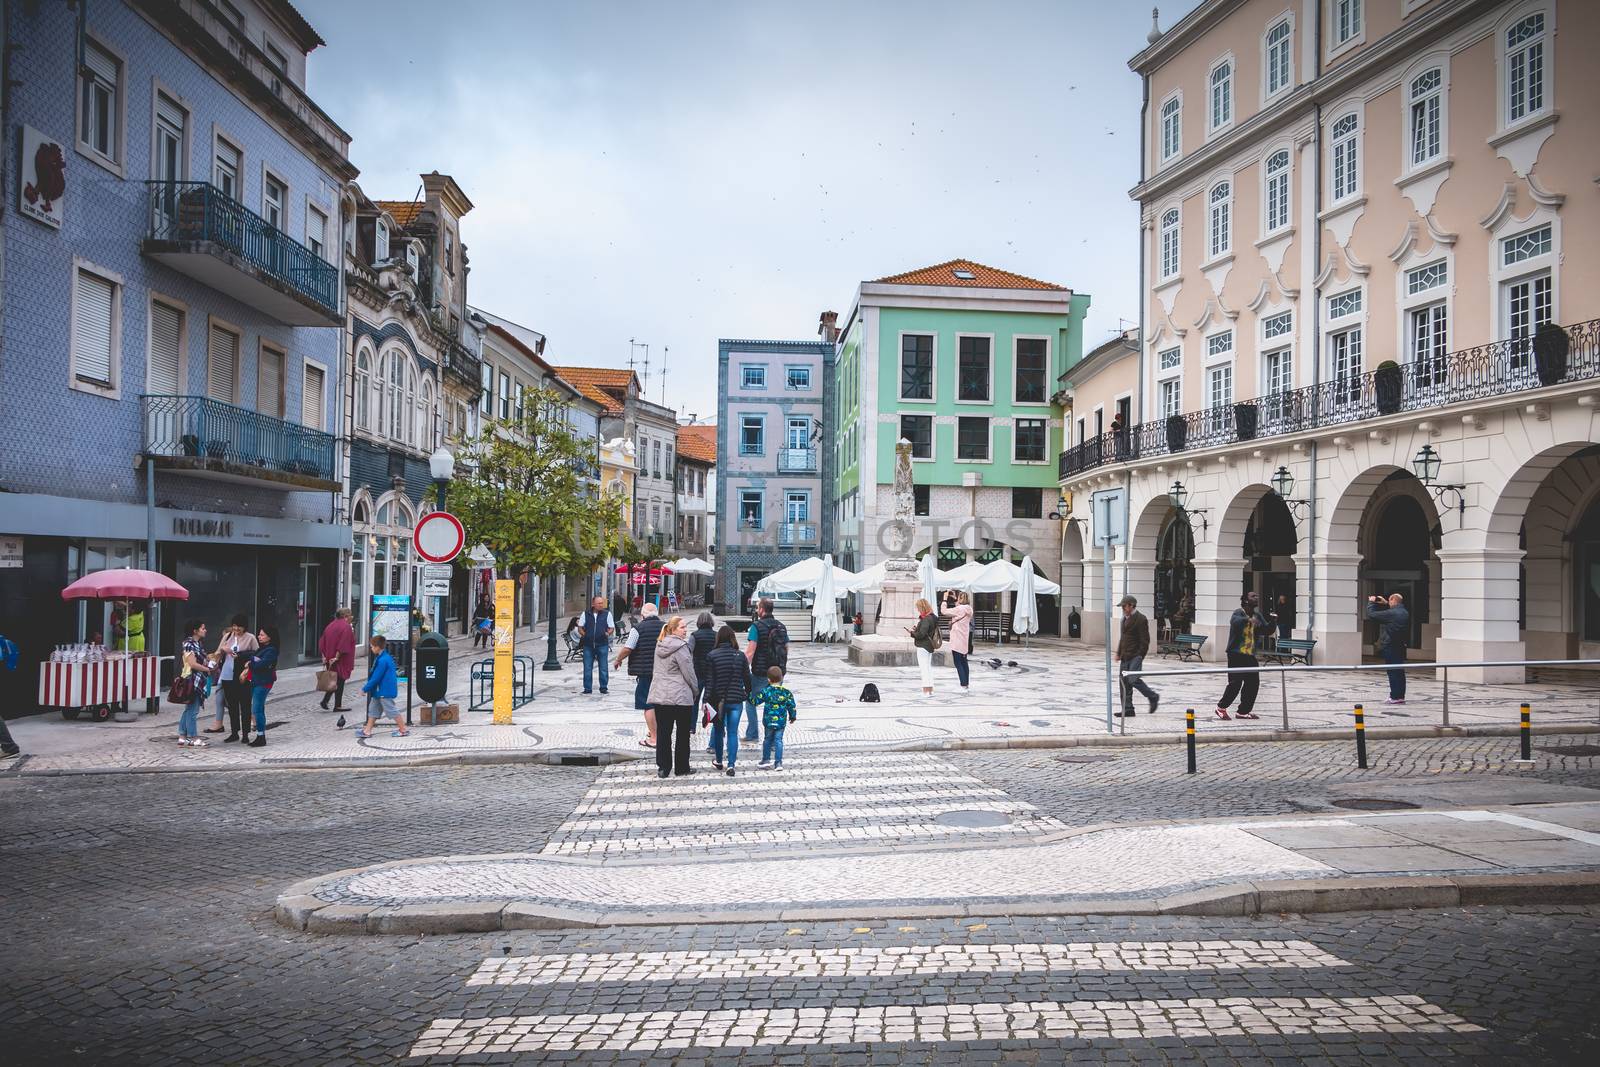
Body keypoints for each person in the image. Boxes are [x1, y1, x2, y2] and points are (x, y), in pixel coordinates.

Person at [646, 616, 699, 778]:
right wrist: (695, 690)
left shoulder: (659, 645)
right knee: (683, 733)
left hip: (661, 695)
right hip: (680, 696)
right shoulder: (681, 647)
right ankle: (682, 767)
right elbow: (688, 673)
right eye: (682, 627)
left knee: (663, 732)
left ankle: (663, 767)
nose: (685, 630)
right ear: (673, 629)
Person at [704, 623, 753, 776]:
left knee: (718, 731)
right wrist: (747, 693)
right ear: (733, 638)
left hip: (718, 701)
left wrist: (705, 700)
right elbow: (747, 678)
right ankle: (731, 764)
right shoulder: (740, 656)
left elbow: (709, 681)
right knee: (732, 732)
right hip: (736, 700)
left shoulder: (712, 655)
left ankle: (719, 760)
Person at [614, 602, 663, 748]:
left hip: (645, 672)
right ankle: (657, 733)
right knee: (660, 704)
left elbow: (628, 648)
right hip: (663, 672)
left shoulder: (638, 628)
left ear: (642, 615)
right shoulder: (665, 627)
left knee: (647, 704)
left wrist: (618, 659)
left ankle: (654, 738)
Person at [1215, 592, 1267, 720]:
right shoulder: (1238, 613)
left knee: (1253, 683)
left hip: (1250, 655)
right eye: (1253, 596)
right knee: (1235, 683)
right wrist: (1248, 620)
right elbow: (1235, 622)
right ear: (1245, 600)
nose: (1256, 598)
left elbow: (1266, 630)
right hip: (1236, 654)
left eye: (1257, 596)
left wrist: (1274, 621)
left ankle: (1243, 711)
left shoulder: (1257, 615)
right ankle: (1221, 708)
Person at [743, 598, 789, 743]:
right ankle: (774, 738)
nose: (757, 610)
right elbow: (786, 649)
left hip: (761, 672)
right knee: (774, 704)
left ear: (762, 609)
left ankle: (752, 734)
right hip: (778, 672)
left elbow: (750, 652)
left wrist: (742, 669)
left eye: (757, 607)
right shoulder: (781, 626)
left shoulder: (756, 627)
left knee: (751, 702)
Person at [211, 614, 256, 742]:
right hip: (227, 674)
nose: (236, 629)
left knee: (245, 704)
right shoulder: (228, 636)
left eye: (239, 626)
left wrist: (241, 655)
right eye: (234, 626)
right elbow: (218, 652)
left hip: (242, 675)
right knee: (232, 705)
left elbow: (256, 654)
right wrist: (217, 657)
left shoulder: (250, 638)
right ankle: (234, 732)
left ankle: (246, 734)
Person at [1114, 595, 1160, 717]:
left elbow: (1145, 640)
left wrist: (1140, 655)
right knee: (1124, 683)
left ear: (1131, 605)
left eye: (1124, 606)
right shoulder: (1124, 619)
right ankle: (1128, 709)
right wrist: (1119, 653)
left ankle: (1153, 696)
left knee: (1133, 679)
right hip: (1125, 655)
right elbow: (1123, 638)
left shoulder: (1141, 619)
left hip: (1135, 656)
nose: (1123, 609)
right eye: (1122, 607)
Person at [358, 634, 408, 738]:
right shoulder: (384, 657)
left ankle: (403, 730)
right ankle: (367, 731)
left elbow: (376, 677)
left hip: (384, 691)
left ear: (377, 647)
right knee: (373, 709)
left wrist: (365, 689)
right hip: (380, 691)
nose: (371, 649)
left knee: (391, 710)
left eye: (372, 646)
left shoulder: (382, 660)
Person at [1367, 592, 1411, 705]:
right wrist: (1386, 603)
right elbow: (1392, 612)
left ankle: (1395, 697)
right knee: (1399, 671)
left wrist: (1371, 602)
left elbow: (1372, 615)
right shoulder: (1404, 612)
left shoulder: (1393, 613)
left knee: (1392, 671)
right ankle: (1400, 696)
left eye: (1389, 601)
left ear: (1392, 600)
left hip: (1391, 645)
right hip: (1400, 645)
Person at [752, 665, 797, 770]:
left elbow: (756, 701)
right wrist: (792, 717)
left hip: (768, 721)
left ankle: (766, 760)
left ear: (768, 679)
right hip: (781, 722)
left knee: (767, 739)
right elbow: (792, 706)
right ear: (781, 678)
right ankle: (778, 763)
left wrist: (750, 694)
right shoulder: (786, 693)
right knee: (778, 740)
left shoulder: (766, 691)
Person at [242, 625, 280, 747]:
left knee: (256, 709)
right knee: (259, 709)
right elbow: (255, 659)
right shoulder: (262, 649)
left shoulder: (271, 650)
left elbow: (261, 664)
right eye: (259, 634)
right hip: (256, 681)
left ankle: (260, 737)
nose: (259, 636)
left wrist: (251, 663)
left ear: (270, 637)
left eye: (262, 634)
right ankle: (260, 734)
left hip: (264, 682)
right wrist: (253, 660)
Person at [177, 619, 210, 747]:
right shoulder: (189, 643)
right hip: (192, 680)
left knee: (189, 709)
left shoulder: (198, 643)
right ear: (195, 631)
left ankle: (182, 735)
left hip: (198, 679)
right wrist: (207, 669)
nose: (205, 630)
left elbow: (204, 658)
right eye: (202, 628)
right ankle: (193, 737)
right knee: (193, 710)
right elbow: (192, 663)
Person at [318, 608, 356, 712]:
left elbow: (322, 642)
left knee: (335, 680)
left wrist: (324, 656)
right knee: (340, 681)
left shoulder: (330, 626)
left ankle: (325, 701)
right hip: (340, 659)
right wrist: (337, 657)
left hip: (329, 658)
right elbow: (343, 643)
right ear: (345, 616)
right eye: (350, 615)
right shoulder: (346, 627)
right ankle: (337, 705)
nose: (351, 617)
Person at [690, 611, 718, 749]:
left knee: (694, 700)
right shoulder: (716, 635)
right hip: (713, 672)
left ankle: (691, 727)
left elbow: (689, 651)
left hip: (698, 672)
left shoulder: (694, 635)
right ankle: (716, 727)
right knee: (712, 701)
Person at [577, 596, 615, 695]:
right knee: (587, 667)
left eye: (602, 603)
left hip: (602, 644)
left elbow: (611, 627)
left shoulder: (607, 614)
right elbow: (580, 627)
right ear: (593, 604)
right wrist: (585, 635)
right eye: (599, 603)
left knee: (603, 666)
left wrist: (607, 633)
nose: (601, 605)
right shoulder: (585, 614)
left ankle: (603, 687)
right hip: (588, 645)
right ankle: (587, 688)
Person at [908, 598, 940, 699]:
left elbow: (921, 634)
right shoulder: (933, 617)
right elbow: (927, 631)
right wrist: (917, 629)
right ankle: (930, 690)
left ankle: (926, 691)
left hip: (923, 646)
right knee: (928, 668)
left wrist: (912, 633)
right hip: (929, 646)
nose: (918, 610)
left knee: (924, 669)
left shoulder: (926, 619)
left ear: (922, 607)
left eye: (918, 608)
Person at [946, 591, 974, 692]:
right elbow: (960, 608)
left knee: (958, 663)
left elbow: (944, 611)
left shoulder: (959, 609)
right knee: (964, 662)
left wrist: (945, 599)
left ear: (960, 599)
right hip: (964, 639)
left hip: (957, 639)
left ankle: (963, 685)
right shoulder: (969, 609)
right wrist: (955, 599)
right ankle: (966, 684)